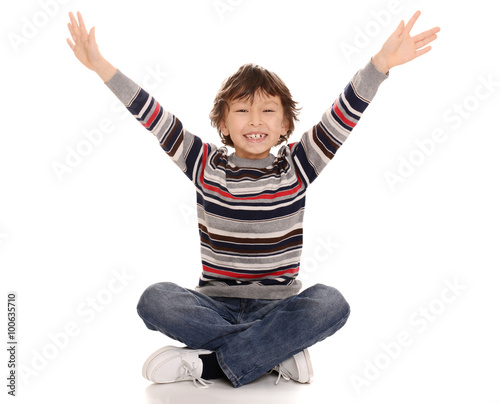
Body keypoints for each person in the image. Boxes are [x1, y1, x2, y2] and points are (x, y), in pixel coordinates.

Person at [66, 10, 439, 389]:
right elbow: (153, 115)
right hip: (215, 306)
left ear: (284, 126)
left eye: (267, 111)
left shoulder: (298, 165)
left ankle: (213, 365)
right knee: (155, 299)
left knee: (331, 303)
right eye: (242, 111)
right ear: (224, 124)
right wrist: (101, 67)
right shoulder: (204, 163)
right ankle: (273, 352)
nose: (255, 120)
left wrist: (380, 65)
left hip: (279, 307)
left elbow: (343, 114)